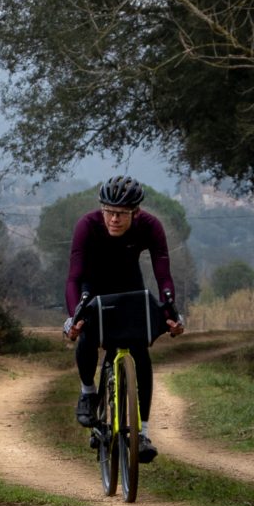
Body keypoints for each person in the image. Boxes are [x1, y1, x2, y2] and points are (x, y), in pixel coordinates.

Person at [62, 176, 183, 455]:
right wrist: (73, 318)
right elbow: (74, 277)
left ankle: (142, 434)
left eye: (121, 213)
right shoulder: (87, 225)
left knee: (140, 351)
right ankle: (88, 392)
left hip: (129, 284)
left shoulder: (150, 226)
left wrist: (171, 313)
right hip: (92, 285)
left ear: (135, 212)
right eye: (109, 211)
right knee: (87, 332)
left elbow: (163, 275)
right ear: (101, 209)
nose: (114, 219)